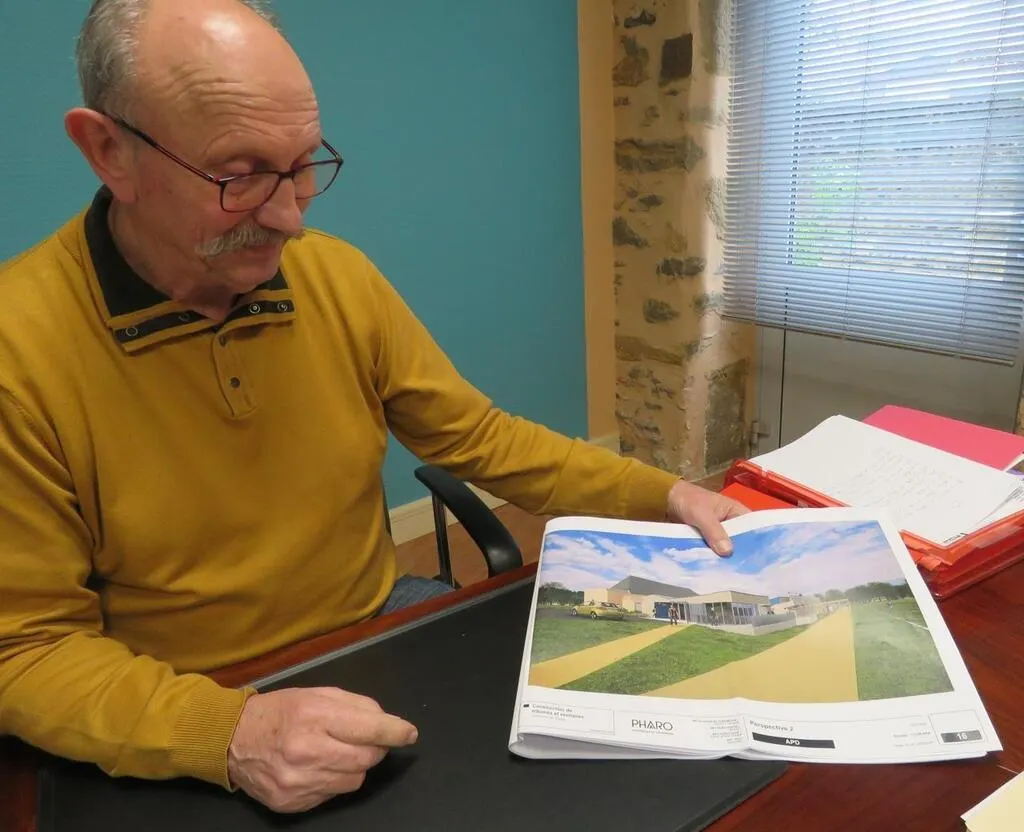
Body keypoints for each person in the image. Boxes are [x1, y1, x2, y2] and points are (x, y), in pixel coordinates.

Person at [0, 0, 748, 815]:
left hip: (374, 626)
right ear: (108, 151)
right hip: (184, 697)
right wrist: (230, 731)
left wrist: (664, 495)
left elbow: (482, 439)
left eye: (302, 165)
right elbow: (23, 652)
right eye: (240, 174)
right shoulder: (19, 347)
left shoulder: (339, 279)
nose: (290, 216)